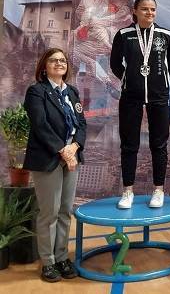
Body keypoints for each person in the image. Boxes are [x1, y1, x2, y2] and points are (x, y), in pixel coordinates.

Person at [23, 48, 87, 282]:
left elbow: (81, 124)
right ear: (44, 66)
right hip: (47, 158)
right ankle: (48, 262)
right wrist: (63, 150)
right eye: (53, 60)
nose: (59, 63)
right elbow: (40, 126)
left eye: (62, 60)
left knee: (65, 211)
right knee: (49, 213)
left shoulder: (72, 92)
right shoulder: (36, 92)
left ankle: (61, 257)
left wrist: (74, 147)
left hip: (71, 156)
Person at [110, 0, 170, 209]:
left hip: (159, 97)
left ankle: (158, 190)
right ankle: (127, 191)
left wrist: (161, 82)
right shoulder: (124, 35)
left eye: (152, 9)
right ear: (135, 11)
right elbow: (115, 63)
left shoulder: (165, 35)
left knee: (159, 145)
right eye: (145, 9)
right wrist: (129, 79)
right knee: (129, 145)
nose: (149, 13)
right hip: (130, 96)